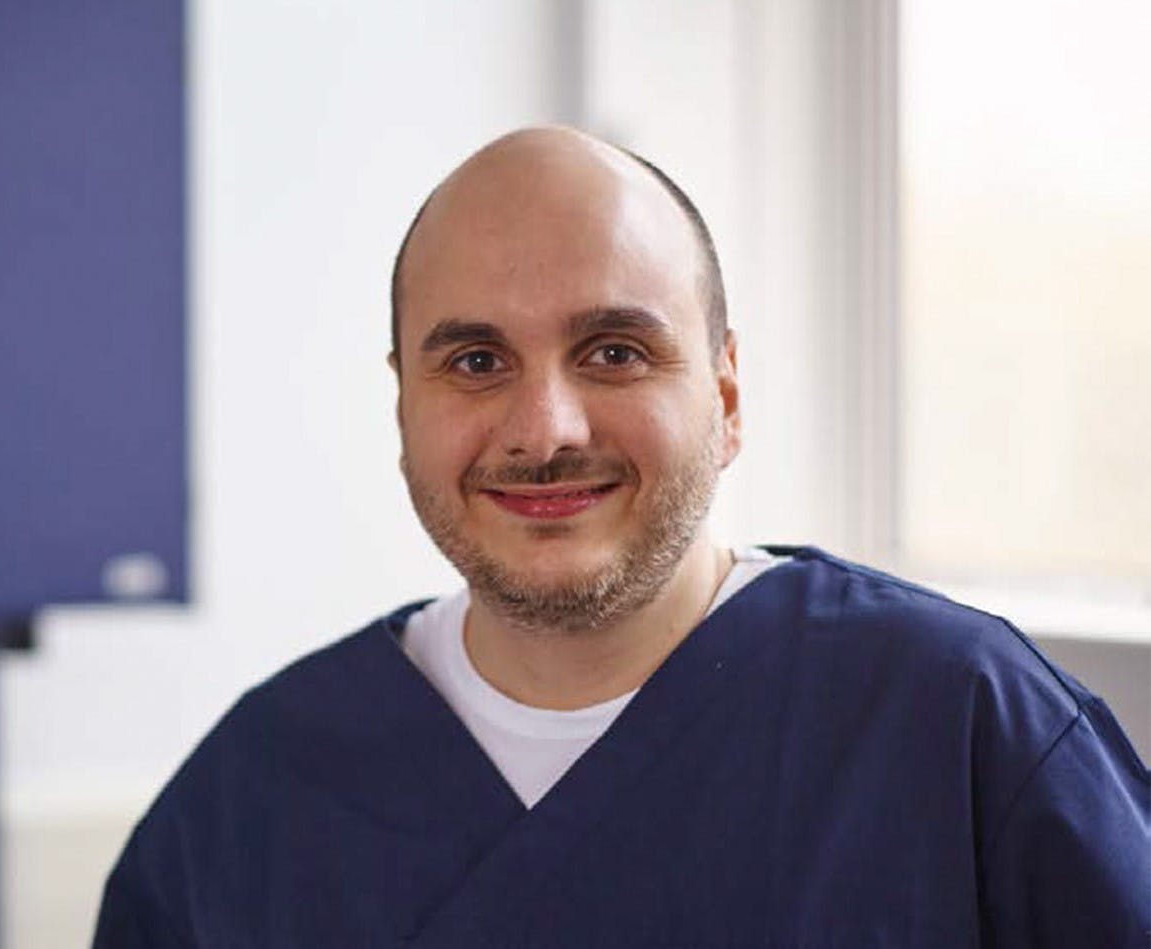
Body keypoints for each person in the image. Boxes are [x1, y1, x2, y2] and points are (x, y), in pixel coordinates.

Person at [92, 127, 1150, 947]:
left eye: (612, 351)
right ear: (402, 405)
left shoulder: (959, 723)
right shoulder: (247, 805)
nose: (545, 430)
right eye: (473, 362)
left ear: (727, 396)